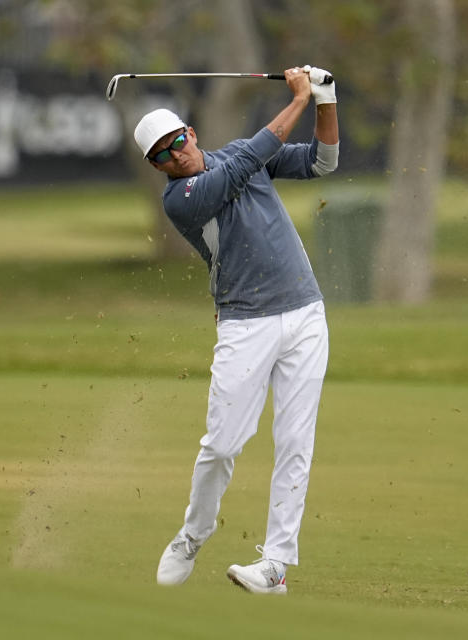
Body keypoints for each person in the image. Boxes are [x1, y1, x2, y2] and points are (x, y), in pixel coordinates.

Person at [132, 66, 338, 595]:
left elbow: (323, 161)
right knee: (222, 445)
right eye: (161, 155)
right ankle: (193, 534)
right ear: (156, 167)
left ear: (191, 133)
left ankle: (275, 566)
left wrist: (326, 99)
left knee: (296, 441)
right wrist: (298, 98)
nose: (173, 155)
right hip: (246, 323)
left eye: (176, 142)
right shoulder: (181, 201)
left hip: (305, 313)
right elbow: (253, 155)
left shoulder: (236, 157)